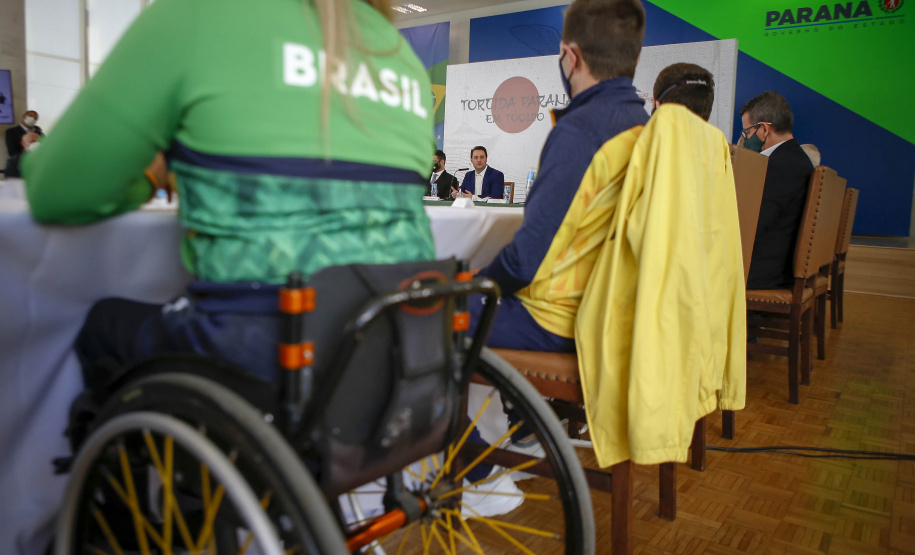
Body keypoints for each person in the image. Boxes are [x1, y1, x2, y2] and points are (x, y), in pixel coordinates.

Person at [23, 0, 436, 386]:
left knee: (104, 324)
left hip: (264, 344)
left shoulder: (202, 13)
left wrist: (153, 176)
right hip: (399, 341)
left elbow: (57, 190)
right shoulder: (397, 52)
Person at [471, 0, 649, 353]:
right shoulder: (646, 127)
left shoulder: (580, 132)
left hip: (553, 317)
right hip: (612, 314)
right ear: (636, 58)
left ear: (570, 57)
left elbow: (522, 264)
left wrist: (476, 285)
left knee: (422, 308)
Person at [739, 91, 814, 290]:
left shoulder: (778, 166)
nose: (745, 139)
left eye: (747, 132)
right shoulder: (795, 159)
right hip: (776, 266)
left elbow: (753, 226)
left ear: (764, 129)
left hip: (762, 272)